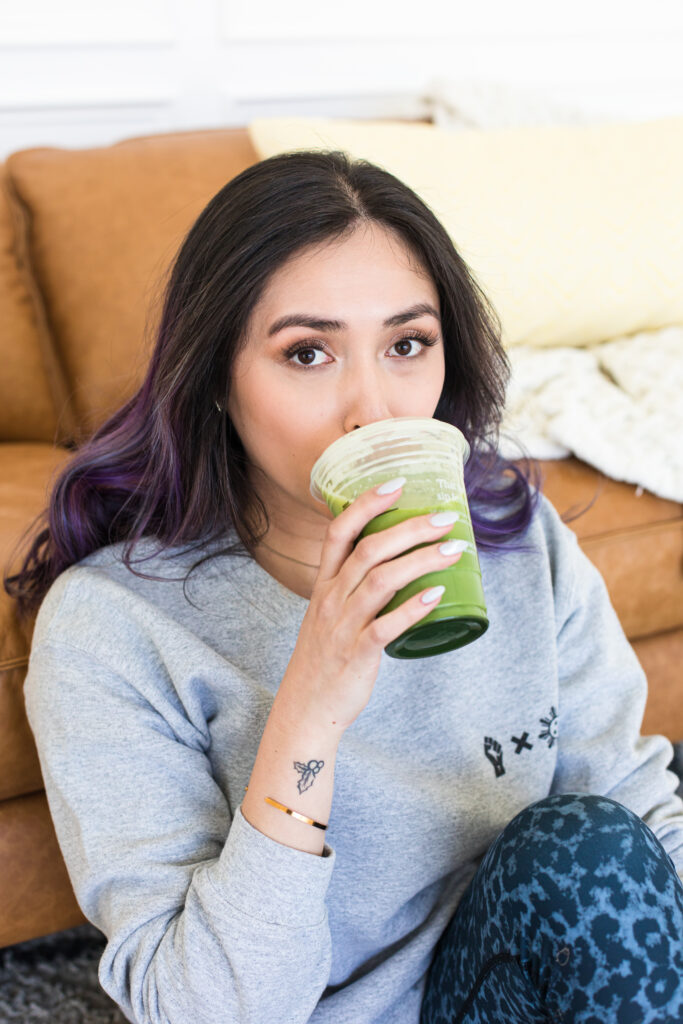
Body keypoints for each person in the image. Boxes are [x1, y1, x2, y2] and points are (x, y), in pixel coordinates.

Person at [5, 149, 683, 1024]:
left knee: (592, 846)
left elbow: (631, 824)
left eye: (407, 344)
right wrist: (310, 706)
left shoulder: (515, 541)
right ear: (216, 379)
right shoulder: (117, 626)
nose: (374, 408)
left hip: (517, 988)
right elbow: (205, 1010)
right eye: (308, 353)